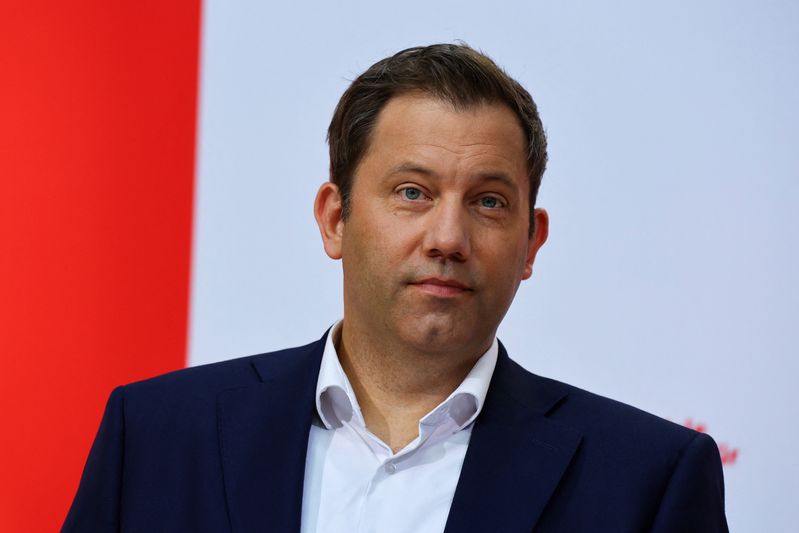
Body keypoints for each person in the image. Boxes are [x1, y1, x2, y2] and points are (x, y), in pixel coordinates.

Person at [62, 43, 728, 532]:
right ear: (335, 219)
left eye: (490, 202)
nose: (447, 237)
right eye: (412, 192)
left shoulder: (649, 481)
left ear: (531, 243)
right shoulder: (157, 436)